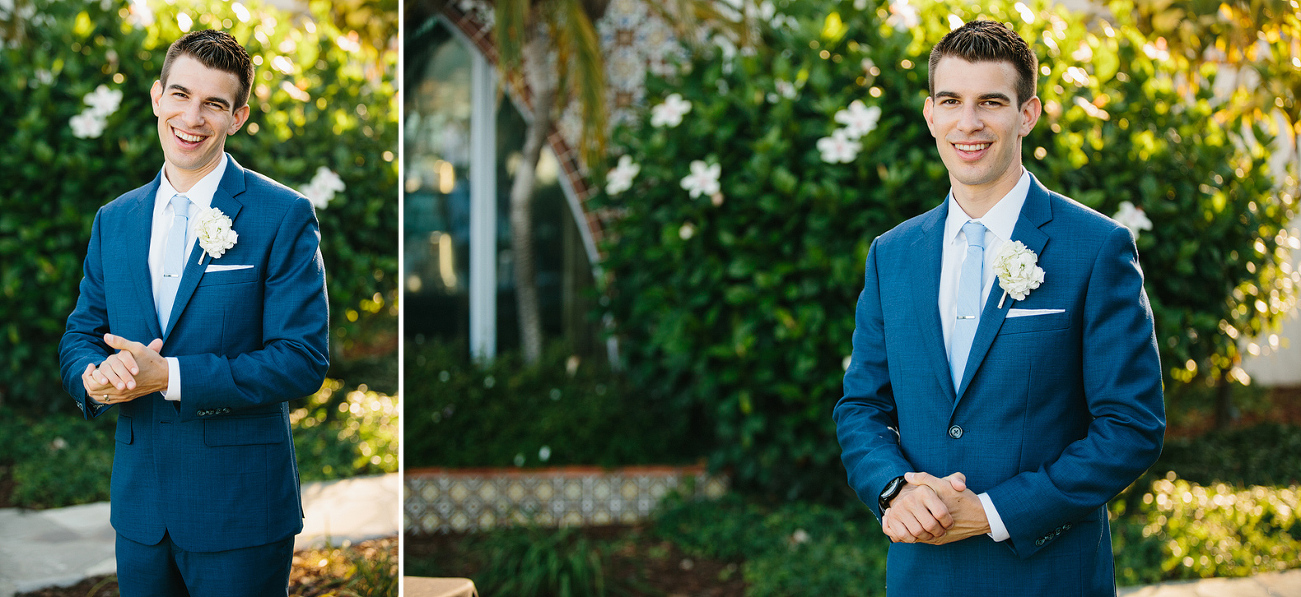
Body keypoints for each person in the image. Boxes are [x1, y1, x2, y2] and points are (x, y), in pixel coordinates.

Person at [833, 19, 1165, 595]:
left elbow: (1131, 426)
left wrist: (990, 512)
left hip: (1048, 575)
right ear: (930, 115)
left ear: (1027, 114)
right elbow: (862, 405)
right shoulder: (893, 254)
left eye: (991, 101)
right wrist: (895, 489)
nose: (969, 123)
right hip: (922, 574)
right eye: (951, 101)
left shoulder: (1096, 247)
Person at [58, 29, 329, 595]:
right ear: (157, 98)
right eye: (180, 94)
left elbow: (301, 359)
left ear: (238, 116)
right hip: (140, 514)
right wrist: (93, 374)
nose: (192, 116)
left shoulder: (283, 215)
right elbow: (83, 331)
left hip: (240, 512)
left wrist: (171, 377)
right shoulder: (115, 219)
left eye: (214, 103)